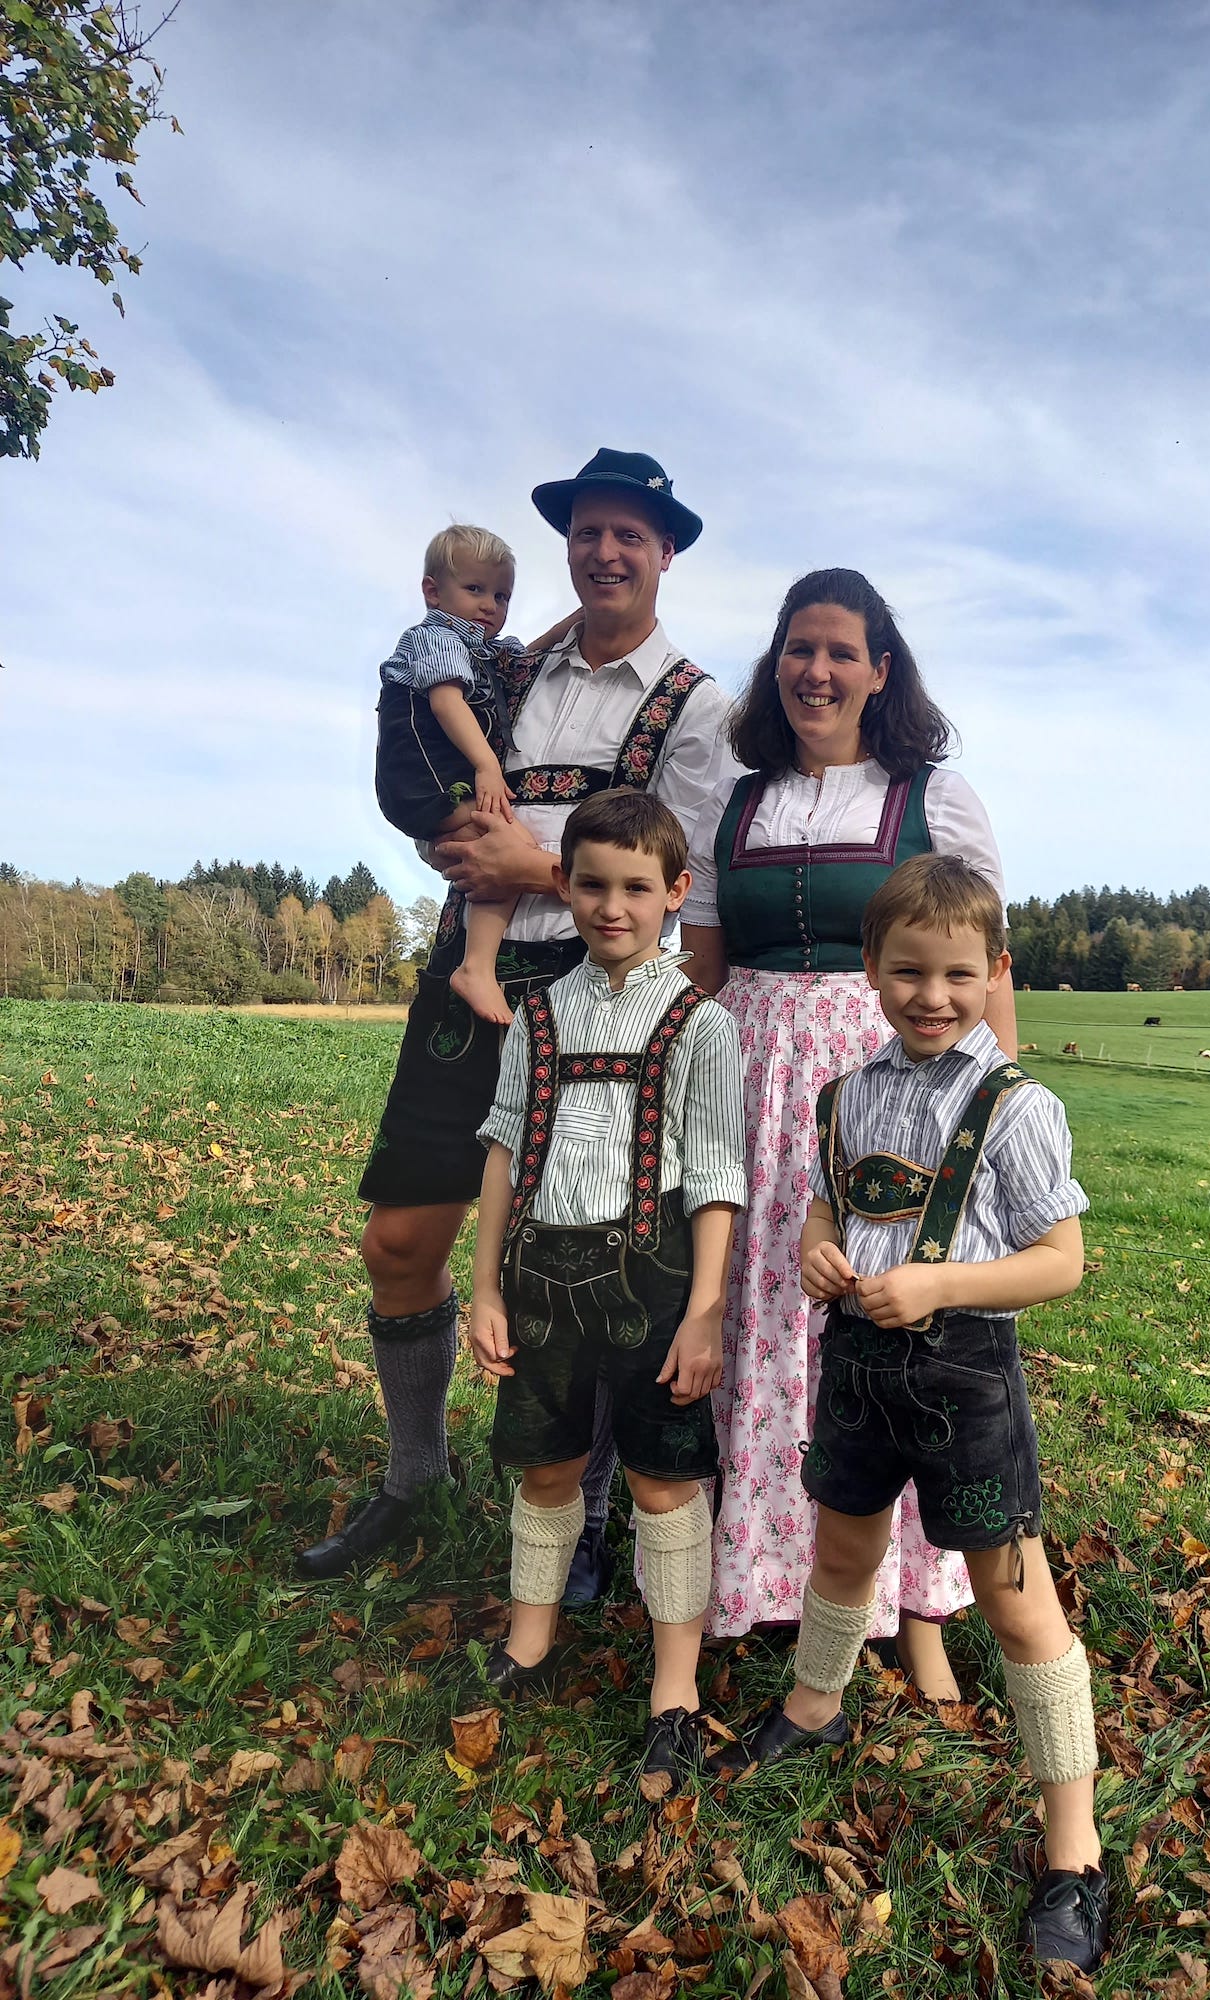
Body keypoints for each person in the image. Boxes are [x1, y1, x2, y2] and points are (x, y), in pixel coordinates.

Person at [296, 449, 730, 1583]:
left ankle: (581, 1513)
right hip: (466, 973)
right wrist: (442, 833)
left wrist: (533, 867)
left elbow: (680, 892)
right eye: (587, 531)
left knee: (572, 1273)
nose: (605, 551)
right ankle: (412, 1471)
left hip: (588, 1003)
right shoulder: (516, 667)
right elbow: (432, 755)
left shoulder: (696, 706)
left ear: (666, 550)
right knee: (399, 1238)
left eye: (629, 534)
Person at [710, 854, 1107, 1976]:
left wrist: (937, 1285)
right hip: (856, 1367)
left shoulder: (1017, 1105)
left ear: (994, 975)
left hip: (966, 1373)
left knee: (1015, 1595)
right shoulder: (852, 1092)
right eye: (909, 971)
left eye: (957, 974)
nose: (933, 995)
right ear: (872, 973)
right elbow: (829, 1200)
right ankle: (815, 1701)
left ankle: (1072, 1847)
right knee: (842, 1549)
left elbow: (1061, 1261)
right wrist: (817, 1247)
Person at [679, 568, 1019, 1699]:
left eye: (840, 651)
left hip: (900, 1085)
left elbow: (983, 965)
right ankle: (772, 1580)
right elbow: (707, 972)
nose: (815, 670)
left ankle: (919, 1605)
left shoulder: (934, 796)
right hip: (752, 1081)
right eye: (796, 648)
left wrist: (994, 1113)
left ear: (882, 667)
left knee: (899, 1336)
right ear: (775, 662)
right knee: (765, 1317)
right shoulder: (732, 801)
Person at [468, 790, 745, 1794]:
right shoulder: (535, 1009)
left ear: (676, 891)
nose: (611, 904)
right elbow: (503, 1149)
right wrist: (484, 1283)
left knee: (663, 1480)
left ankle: (676, 1688)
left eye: (637, 886)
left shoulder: (700, 1025)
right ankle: (530, 1638)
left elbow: (716, 1174)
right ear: (567, 885)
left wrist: (707, 1308)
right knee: (546, 1464)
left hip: (655, 1275)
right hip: (539, 1272)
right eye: (591, 882)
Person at [374, 524, 538, 1028]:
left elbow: (531, 654)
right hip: (423, 781)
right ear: (432, 591)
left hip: (440, 782)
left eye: (502, 595)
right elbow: (446, 703)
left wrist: (583, 619)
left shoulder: (483, 649)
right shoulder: (435, 638)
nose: (490, 605)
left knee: (509, 850)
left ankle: (477, 966)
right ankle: (475, 968)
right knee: (511, 848)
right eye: (475, 589)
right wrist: (488, 764)